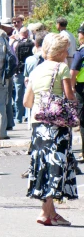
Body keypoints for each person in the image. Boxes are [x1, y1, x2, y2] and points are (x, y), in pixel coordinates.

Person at [23, 33, 78, 225]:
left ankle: (50, 214)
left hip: (38, 124)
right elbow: (69, 94)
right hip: (57, 124)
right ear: (62, 51)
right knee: (56, 166)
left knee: (44, 166)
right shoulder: (62, 67)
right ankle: (46, 214)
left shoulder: (37, 70)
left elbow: (26, 101)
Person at [13, 27, 34, 124]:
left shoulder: (16, 44)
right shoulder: (32, 43)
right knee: (29, 93)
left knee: (18, 95)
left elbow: (13, 57)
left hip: (19, 70)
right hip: (30, 71)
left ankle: (18, 116)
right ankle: (27, 115)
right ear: (27, 33)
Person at [70, 26, 84, 160]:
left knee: (83, 121)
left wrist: (72, 87)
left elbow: (74, 71)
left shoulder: (81, 52)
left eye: (80, 34)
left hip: (82, 88)